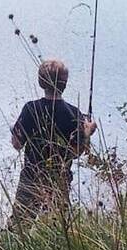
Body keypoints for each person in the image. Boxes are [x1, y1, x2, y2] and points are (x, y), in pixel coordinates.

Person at [10, 59, 97, 225]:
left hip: (31, 177)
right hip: (60, 179)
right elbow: (76, 152)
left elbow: (17, 145)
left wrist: (16, 132)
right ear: (65, 84)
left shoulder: (30, 109)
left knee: (19, 225)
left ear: (41, 82)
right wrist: (87, 133)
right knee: (58, 225)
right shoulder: (74, 113)